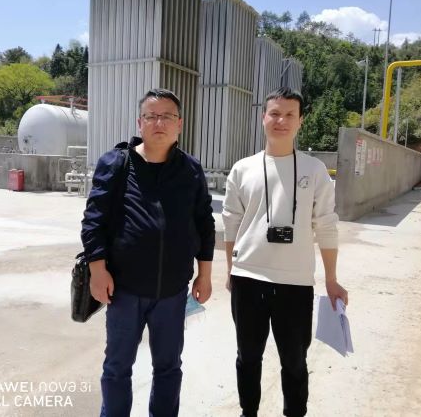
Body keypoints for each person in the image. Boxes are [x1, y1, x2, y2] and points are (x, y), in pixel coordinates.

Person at [81, 88, 215, 417]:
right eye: (151, 116)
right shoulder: (117, 163)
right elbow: (93, 221)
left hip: (172, 292)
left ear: (179, 124)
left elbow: (204, 223)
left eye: (167, 116)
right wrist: (97, 270)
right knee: (117, 367)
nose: (159, 123)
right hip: (124, 290)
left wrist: (205, 274)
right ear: (140, 122)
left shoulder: (190, 170)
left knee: (169, 367)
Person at [222, 87, 348, 417]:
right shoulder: (242, 169)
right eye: (275, 113)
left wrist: (331, 279)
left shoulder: (314, 170)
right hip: (248, 278)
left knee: (294, 361)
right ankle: (248, 412)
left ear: (300, 121)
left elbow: (327, 225)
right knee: (247, 357)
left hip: (296, 283)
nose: (281, 121)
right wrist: (230, 270)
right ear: (263, 117)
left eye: (290, 114)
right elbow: (231, 223)